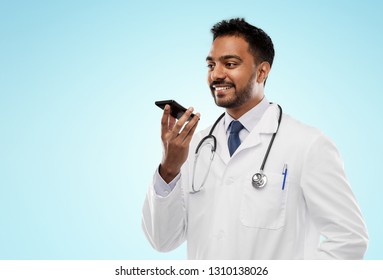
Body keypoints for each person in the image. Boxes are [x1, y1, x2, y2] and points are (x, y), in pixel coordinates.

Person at [142, 18, 368, 259]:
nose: (216, 75)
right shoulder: (194, 145)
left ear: (262, 71)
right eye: (211, 65)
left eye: (230, 64)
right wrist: (169, 169)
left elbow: (350, 239)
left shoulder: (308, 145)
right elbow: (162, 240)